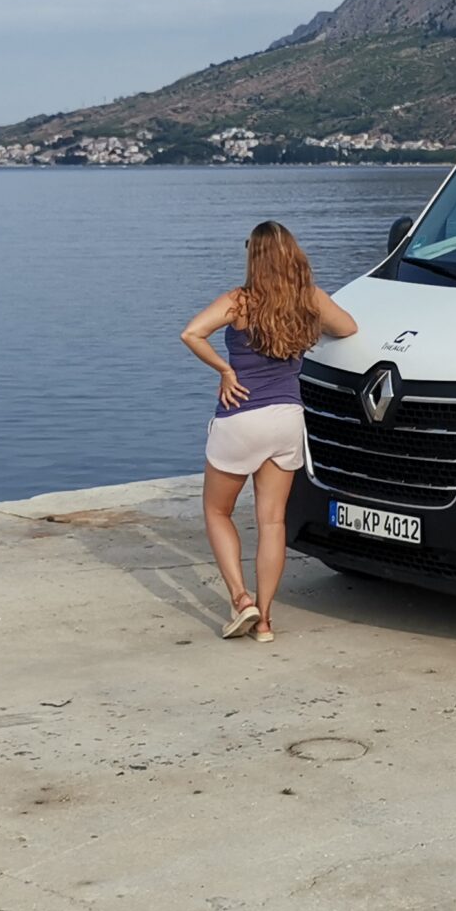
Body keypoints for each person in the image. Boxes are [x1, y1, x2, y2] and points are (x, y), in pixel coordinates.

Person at [180, 221, 356, 641]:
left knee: (217, 511)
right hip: (287, 420)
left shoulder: (239, 301)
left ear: (254, 257)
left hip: (240, 418)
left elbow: (192, 333)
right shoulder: (309, 299)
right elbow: (348, 328)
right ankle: (266, 622)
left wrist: (225, 371)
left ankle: (241, 599)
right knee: (272, 522)